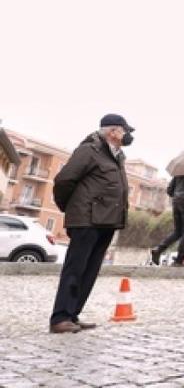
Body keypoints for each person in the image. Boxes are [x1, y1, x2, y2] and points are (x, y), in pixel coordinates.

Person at [49, 114, 135, 333]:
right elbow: (64, 180)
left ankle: (72, 315)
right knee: (75, 269)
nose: (127, 136)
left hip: (106, 221)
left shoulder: (117, 156)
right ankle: (60, 318)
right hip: (86, 220)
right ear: (113, 131)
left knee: (89, 270)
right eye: (124, 131)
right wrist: (69, 208)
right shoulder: (90, 150)